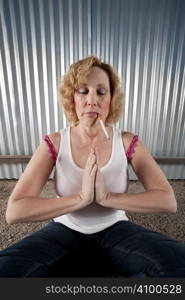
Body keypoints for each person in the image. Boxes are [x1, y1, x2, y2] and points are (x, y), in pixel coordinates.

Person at [0, 55, 185, 278]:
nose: (92, 100)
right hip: (65, 229)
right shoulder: (55, 142)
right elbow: (14, 211)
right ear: (72, 98)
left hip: (116, 229)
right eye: (83, 91)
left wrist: (107, 198)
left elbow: (167, 200)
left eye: (101, 91)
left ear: (111, 99)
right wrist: (81, 199)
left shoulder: (126, 141)